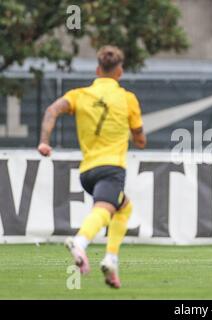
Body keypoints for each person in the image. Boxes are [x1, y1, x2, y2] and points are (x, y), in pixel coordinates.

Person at [37, 45, 147, 288]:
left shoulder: (79, 95)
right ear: (120, 72)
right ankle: (80, 242)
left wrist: (44, 142)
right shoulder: (128, 99)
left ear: (98, 70)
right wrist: (134, 136)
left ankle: (111, 259)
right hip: (111, 168)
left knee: (124, 208)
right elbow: (140, 140)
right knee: (105, 210)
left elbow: (51, 110)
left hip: (87, 173)